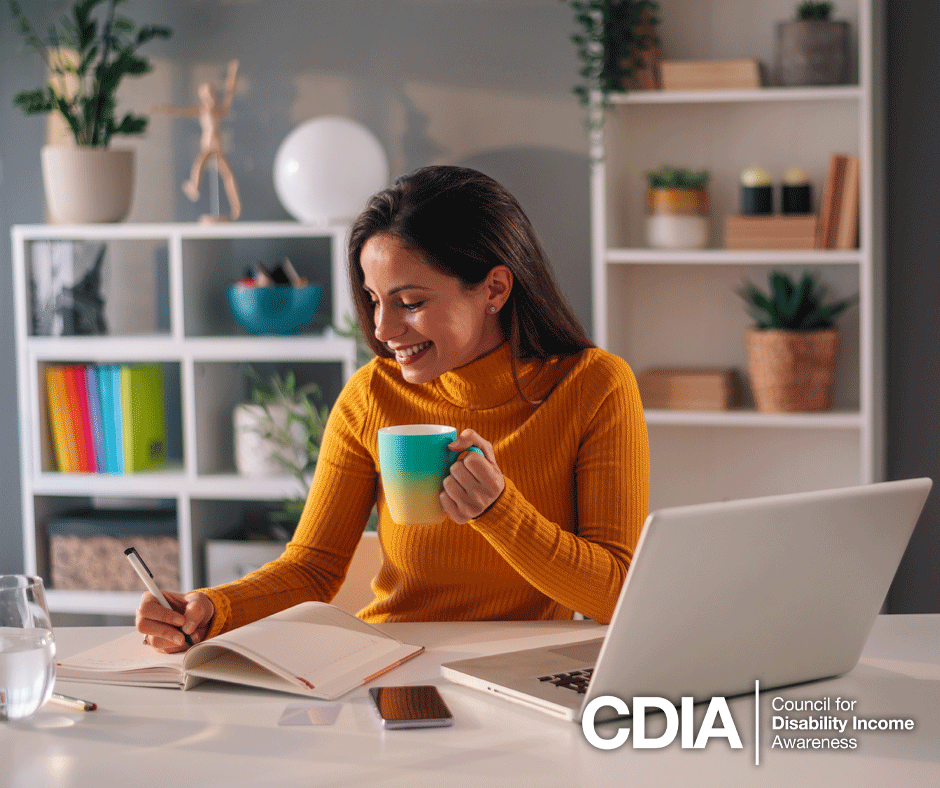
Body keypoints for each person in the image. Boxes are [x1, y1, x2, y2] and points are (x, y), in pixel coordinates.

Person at [136, 165, 649, 652]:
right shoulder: (371, 396)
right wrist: (212, 607)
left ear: (494, 288)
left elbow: (617, 593)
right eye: (375, 300)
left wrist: (498, 512)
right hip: (387, 667)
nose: (382, 330)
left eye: (410, 302)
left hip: (518, 675)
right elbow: (314, 566)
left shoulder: (593, 387)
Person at [152, 59, 242, 222]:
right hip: (207, 144)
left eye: (212, 93)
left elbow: (230, 92)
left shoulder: (220, 110)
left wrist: (233, 73)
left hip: (217, 144)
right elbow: (179, 111)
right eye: (208, 94)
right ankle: (194, 187)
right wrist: (161, 108)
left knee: (226, 175)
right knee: (199, 165)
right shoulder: (201, 110)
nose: (211, 97)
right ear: (203, 96)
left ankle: (236, 208)